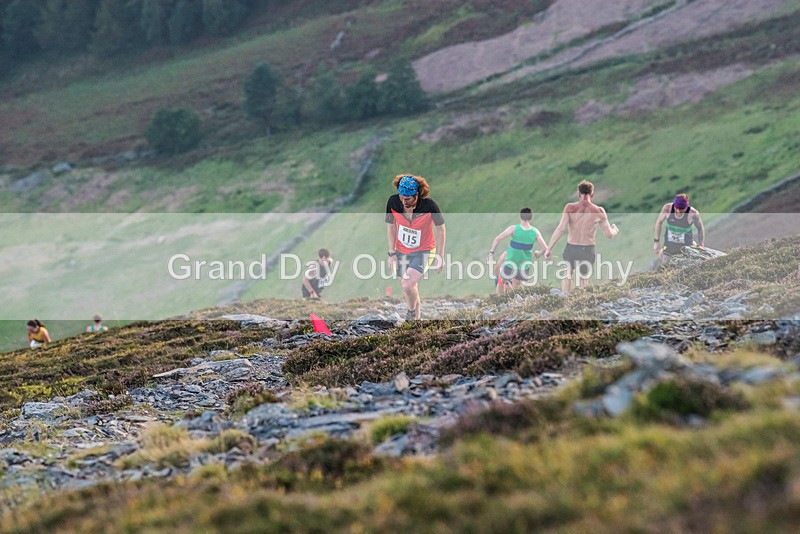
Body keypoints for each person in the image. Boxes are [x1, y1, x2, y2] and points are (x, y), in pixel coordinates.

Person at [386, 174, 446, 321]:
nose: (404, 202)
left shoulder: (429, 206)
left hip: (424, 250)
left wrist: (440, 256)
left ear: (416, 195)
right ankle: (416, 321)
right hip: (401, 250)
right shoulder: (393, 202)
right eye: (401, 197)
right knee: (409, 286)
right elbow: (391, 226)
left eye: (408, 199)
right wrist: (392, 253)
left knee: (407, 284)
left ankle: (411, 312)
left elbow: (441, 229)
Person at [545, 180, 619, 293]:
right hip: (587, 249)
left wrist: (548, 249)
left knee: (568, 273)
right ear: (592, 194)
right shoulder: (599, 211)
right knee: (584, 278)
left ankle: (565, 299)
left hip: (572, 247)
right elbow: (609, 234)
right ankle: (581, 303)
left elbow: (560, 229)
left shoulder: (570, 208)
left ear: (579, 194)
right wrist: (615, 230)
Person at [488, 208, 548, 294]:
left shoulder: (514, 229)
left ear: (520, 216)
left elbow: (498, 239)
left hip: (511, 263)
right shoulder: (535, 232)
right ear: (531, 218)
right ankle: (513, 304)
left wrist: (492, 252)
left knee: (501, 281)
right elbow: (545, 248)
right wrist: (538, 253)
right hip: (524, 266)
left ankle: (498, 302)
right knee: (516, 287)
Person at [653, 193, 705, 262]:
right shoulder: (667, 208)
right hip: (670, 245)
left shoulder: (693, 213)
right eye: (676, 208)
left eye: (681, 210)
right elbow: (659, 222)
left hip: (686, 245)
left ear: (686, 207)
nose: (678, 211)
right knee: (664, 261)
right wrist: (656, 242)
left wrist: (701, 245)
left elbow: (700, 229)